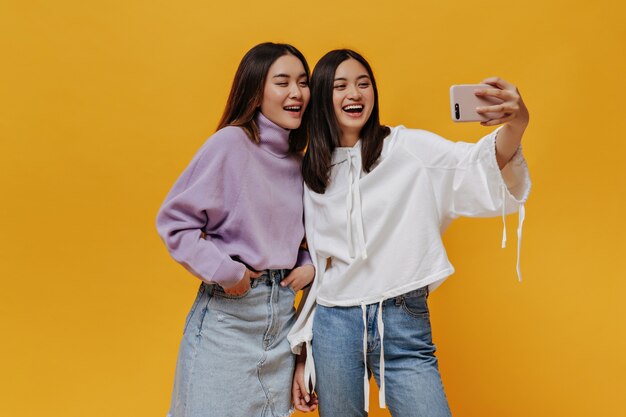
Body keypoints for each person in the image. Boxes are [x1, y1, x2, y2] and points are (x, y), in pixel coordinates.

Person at [290, 49, 531, 417]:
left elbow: (475, 164)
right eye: (340, 86)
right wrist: (304, 356)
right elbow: (317, 267)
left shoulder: (407, 148)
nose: (354, 94)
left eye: (363, 84)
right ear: (323, 97)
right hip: (333, 324)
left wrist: (516, 124)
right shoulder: (311, 169)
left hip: (401, 316)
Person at [156, 42, 316, 417]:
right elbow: (174, 223)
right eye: (282, 82)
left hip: (282, 323)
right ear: (256, 91)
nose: (296, 93)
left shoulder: (299, 162)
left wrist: (307, 262)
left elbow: (305, 234)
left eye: (303, 82)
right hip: (230, 320)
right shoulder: (231, 143)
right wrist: (228, 273)